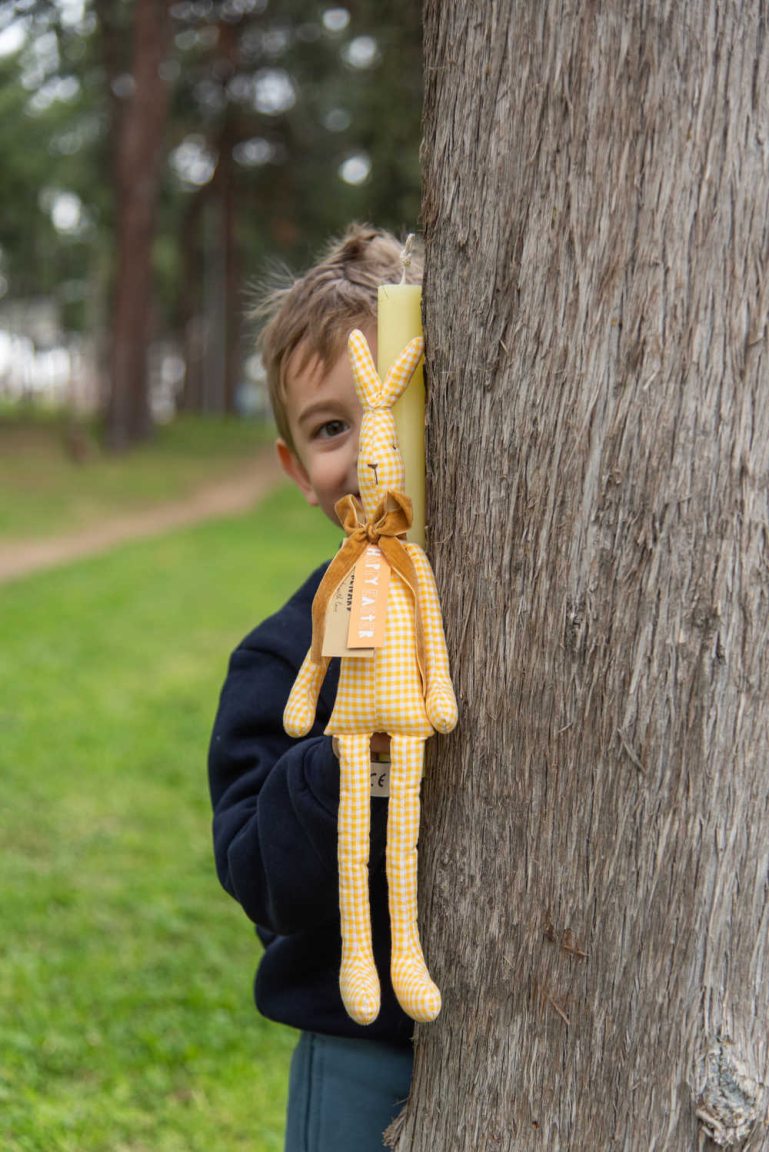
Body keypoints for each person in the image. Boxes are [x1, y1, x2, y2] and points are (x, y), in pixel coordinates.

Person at [208, 225, 423, 1152]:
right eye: (332, 428)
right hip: (358, 1044)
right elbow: (258, 875)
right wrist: (346, 749)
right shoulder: (279, 656)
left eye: (395, 405)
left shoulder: (512, 615)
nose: (369, 446)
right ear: (297, 470)